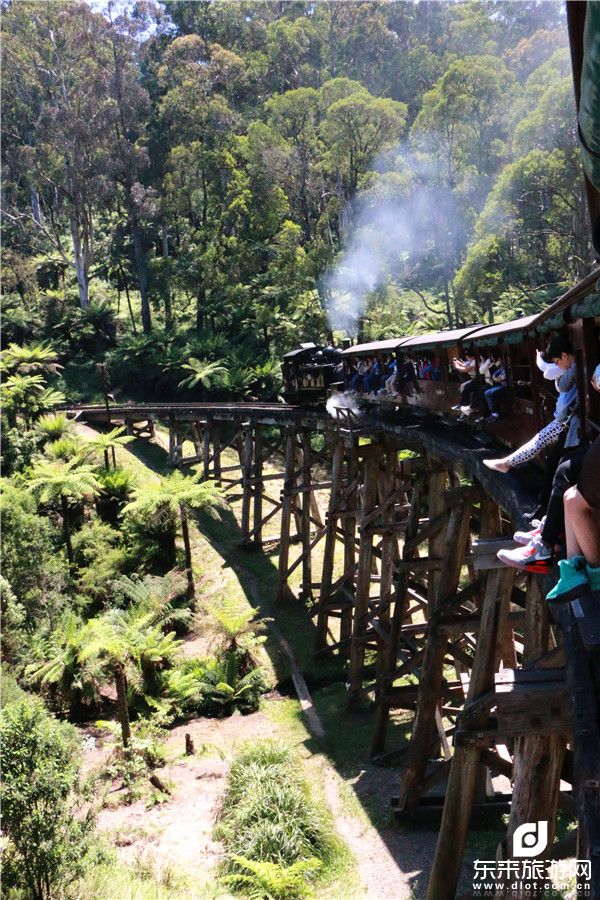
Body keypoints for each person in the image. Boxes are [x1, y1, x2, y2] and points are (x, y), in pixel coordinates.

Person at [483, 334, 579, 473]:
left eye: (557, 362)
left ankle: (506, 463)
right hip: (565, 419)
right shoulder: (571, 367)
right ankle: (506, 462)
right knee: (540, 441)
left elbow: (558, 381)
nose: (557, 366)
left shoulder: (573, 367)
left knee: (540, 441)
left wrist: (539, 357)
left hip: (566, 421)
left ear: (564, 356)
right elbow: (547, 369)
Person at [482, 353, 506, 420]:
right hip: (501, 385)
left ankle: (496, 413)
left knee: (494, 393)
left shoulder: (507, 366)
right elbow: (494, 376)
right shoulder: (501, 367)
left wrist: (498, 378)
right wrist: (497, 378)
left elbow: (503, 377)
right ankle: (492, 411)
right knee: (487, 392)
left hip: (506, 386)